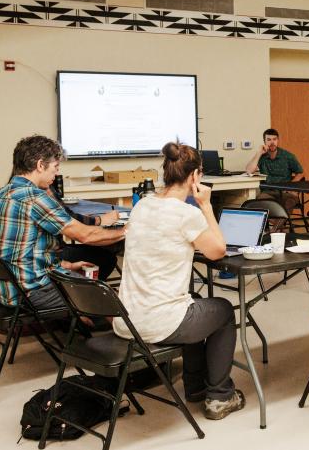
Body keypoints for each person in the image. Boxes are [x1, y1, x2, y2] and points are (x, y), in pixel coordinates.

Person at [114, 142, 244, 420]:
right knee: (222, 311)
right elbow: (218, 250)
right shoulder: (188, 214)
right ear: (195, 176)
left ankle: (196, 388)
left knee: (195, 302)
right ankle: (220, 396)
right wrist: (206, 206)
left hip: (126, 318)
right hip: (159, 323)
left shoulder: (142, 206)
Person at [0, 135, 125, 311]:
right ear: (41, 165)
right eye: (55, 167)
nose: (56, 174)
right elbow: (87, 235)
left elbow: (21, 253)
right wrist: (127, 230)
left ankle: (78, 319)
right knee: (112, 298)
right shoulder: (34, 198)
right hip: (33, 294)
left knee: (90, 278)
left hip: (7, 291)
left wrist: (67, 266)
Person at [245, 128, 304, 212]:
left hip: (285, 192)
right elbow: (249, 171)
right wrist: (258, 153)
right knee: (261, 203)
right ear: (264, 141)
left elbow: (301, 173)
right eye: (268, 139)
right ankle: (279, 224)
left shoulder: (288, 156)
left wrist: (291, 186)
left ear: (278, 140)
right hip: (267, 192)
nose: (272, 142)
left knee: (287, 204)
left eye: (274, 139)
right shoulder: (262, 156)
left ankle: (277, 224)